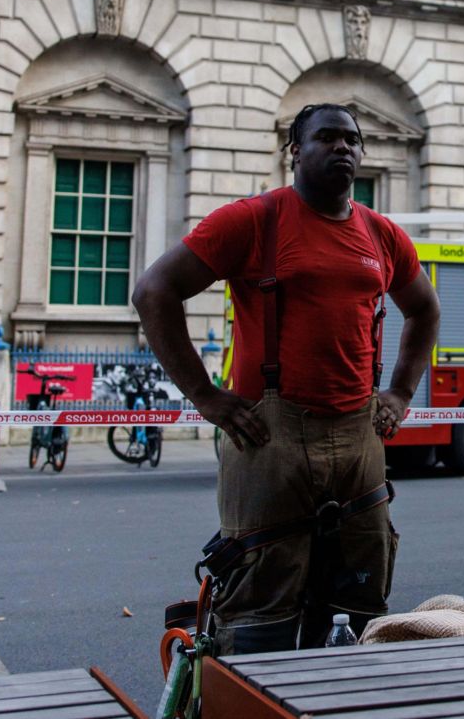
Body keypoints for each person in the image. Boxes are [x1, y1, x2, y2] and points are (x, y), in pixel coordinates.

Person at [133, 103, 440, 654]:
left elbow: (425, 310)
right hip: (269, 438)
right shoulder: (253, 220)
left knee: (357, 605)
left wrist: (399, 391)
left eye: (352, 139)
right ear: (295, 149)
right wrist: (205, 396)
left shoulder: (382, 234)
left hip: (359, 437)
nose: (343, 147)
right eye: (327, 137)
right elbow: (154, 291)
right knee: (259, 611)